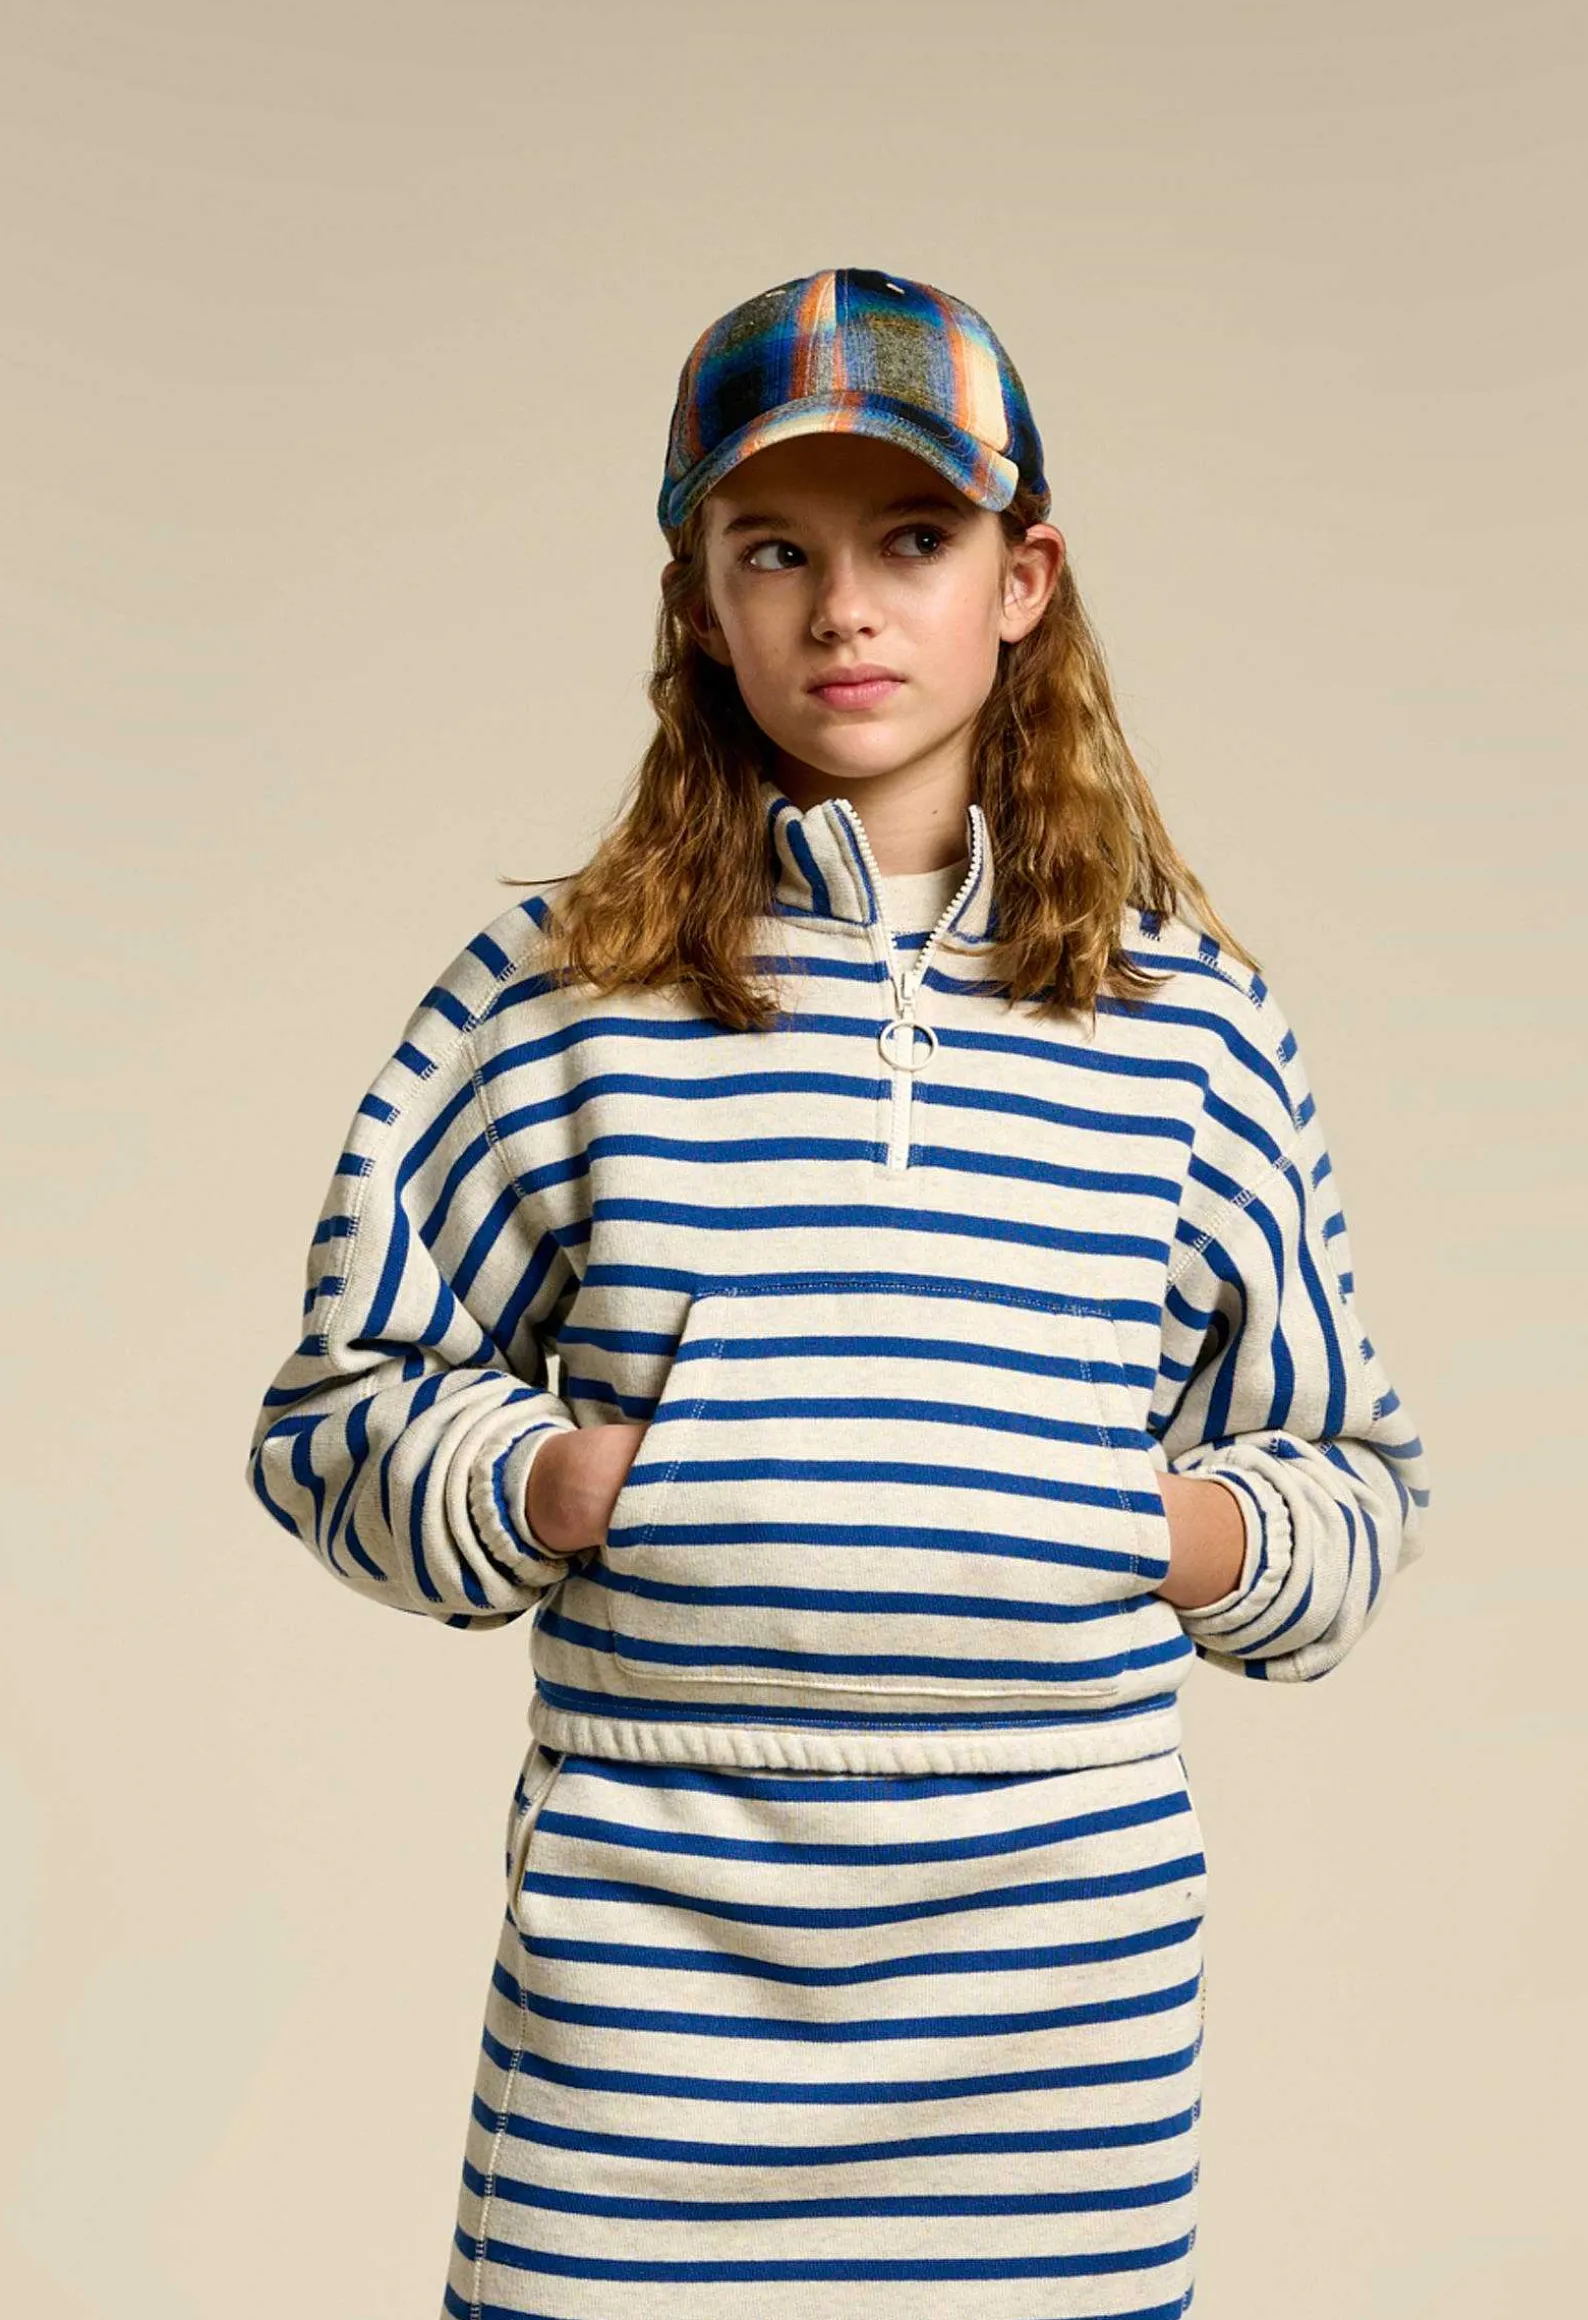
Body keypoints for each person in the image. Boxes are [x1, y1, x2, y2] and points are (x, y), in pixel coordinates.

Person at [245, 265, 1432, 2319]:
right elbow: (338, 1416)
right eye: (774, 549)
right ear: (700, 601)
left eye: (912, 539)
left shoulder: (1190, 1027)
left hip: (1059, 1987)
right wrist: (556, 1482)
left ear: (1023, 578)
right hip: (650, 1951)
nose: (843, 611)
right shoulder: (558, 995)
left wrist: (1149, 1521)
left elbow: (1350, 1486)